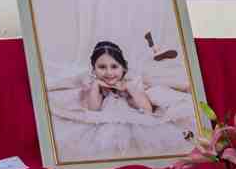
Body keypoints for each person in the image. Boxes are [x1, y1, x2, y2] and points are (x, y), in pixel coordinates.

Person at [51, 41, 189, 160]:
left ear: (124, 68)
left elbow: (147, 109)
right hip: (104, 123)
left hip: (135, 122)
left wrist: (128, 88)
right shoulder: (94, 84)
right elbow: (93, 109)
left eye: (114, 66)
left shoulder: (131, 82)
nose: (109, 73)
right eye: (102, 67)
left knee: (142, 144)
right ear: (94, 69)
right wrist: (96, 85)